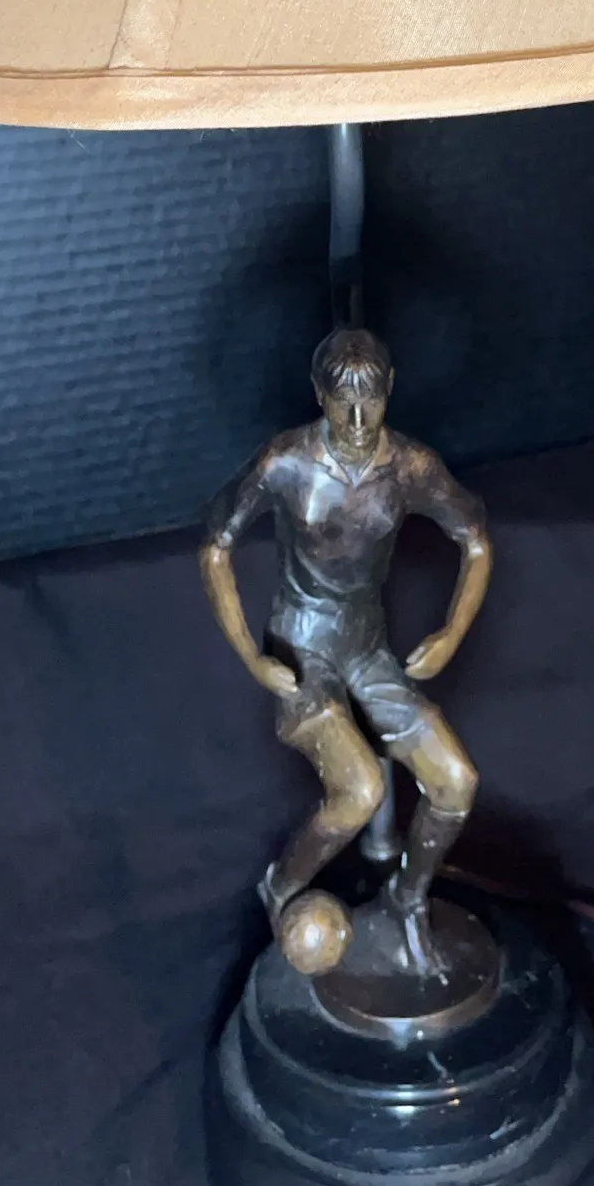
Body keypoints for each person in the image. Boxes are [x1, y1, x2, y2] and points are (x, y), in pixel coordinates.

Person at [199, 327, 492, 974]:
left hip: (367, 648)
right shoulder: (285, 461)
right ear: (318, 395)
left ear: (391, 390)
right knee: (358, 790)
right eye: (342, 403)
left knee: (455, 782)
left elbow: (475, 540)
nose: (358, 421)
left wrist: (451, 633)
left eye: (372, 401)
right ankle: (280, 887)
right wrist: (252, 655)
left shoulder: (411, 468)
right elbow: (216, 545)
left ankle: (407, 899)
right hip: (303, 647)